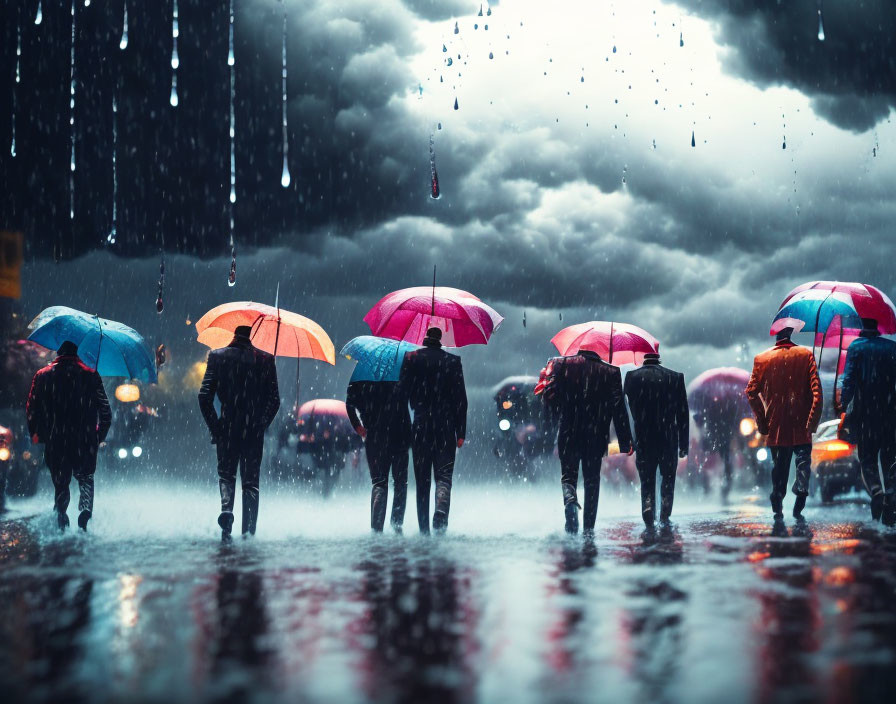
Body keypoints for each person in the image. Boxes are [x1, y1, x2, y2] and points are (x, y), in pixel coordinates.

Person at [199, 325, 280, 541]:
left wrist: (215, 427)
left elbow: (204, 396)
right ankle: (249, 533)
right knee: (251, 482)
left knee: (226, 475)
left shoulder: (217, 357)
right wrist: (261, 424)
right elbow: (275, 401)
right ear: (250, 336)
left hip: (227, 427)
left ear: (234, 335)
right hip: (253, 430)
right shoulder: (265, 360)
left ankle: (227, 514)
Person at [541, 349, 633, 535]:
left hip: (568, 433)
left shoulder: (562, 365)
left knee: (568, 476)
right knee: (592, 480)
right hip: (595, 436)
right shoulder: (610, 371)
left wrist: (549, 431)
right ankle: (589, 528)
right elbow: (619, 409)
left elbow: (549, 401)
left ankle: (570, 504)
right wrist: (626, 441)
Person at [25, 340, 112, 532]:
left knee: (61, 483)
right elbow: (106, 412)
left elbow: (32, 409)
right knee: (86, 478)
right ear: (77, 354)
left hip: (56, 439)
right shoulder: (91, 375)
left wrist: (37, 435)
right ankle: (86, 511)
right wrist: (98, 437)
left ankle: (61, 514)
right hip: (85, 440)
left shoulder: (42, 376)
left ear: (58, 354)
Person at [745, 327, 822, 522]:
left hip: (776, 426)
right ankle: (801, 490)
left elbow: (751, 393)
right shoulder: (806, 355)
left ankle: (778, 496)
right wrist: (811, 421)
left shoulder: (762, 359)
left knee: (780, 466)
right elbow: (817, 393)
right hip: (801, 425)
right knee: (803, 461)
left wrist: (762, 422)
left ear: (776, 335)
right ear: (791, 333)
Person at [395, 327, 467, 534]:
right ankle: (441, 510)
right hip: (446, 427)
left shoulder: (412, 358)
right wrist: (461, 432)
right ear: (440, 340)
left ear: (425, 340)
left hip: (421, 426)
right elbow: (461, 400)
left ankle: (424, 530)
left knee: (422, 481)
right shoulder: (453, 362)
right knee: (444, 476)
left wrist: (406, 424)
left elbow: (401, 394)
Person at [837, 317, 896, 524]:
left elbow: (850, 380)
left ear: (862, 325)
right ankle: (890, 493)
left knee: (867, 459)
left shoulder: (856, 347)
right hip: (890, 413)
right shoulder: (892, 348)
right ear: (877, 325)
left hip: (865, 413)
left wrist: (843, 406)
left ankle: (876, 490)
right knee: (889, 459)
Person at [624, 352, 689, 530]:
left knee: (647, 479)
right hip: (668, 437)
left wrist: (628, 439)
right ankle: (665, 511)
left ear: (644, 360)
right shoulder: (675, 377)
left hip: (644, 437)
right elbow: (683, 415)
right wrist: (684, 445)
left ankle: (648, 505)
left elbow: (625, 409)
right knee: (668, 478)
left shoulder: (632, 377)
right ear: (658, 359)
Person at [346, 378, 411, 532]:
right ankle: (396, 525)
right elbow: (413, 397)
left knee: (379, 483)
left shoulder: (363, 373)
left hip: (375, 436)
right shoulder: (400, 369)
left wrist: (358, 425)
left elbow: (349, 403)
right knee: (400, 483)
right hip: (400, 434)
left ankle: (377, 529)